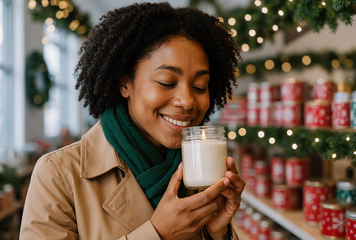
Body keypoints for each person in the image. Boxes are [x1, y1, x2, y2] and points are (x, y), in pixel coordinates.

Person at [20, 2, 245, 240]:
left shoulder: (201, 173)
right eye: (167, 82)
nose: (188, 101)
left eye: (200, 86)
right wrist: (157, 234)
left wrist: (217, 233)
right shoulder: (58, 175)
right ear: (125, 84)